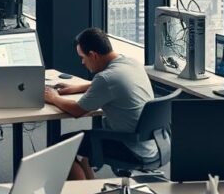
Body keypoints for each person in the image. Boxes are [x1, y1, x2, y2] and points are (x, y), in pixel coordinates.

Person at [43, 28, 156, 180]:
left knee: (60, 146)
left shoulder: (106, 78)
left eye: (83, 57)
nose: (82, 62)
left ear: (93, 55)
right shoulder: (131, 63)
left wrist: (53, 97)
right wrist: (79, 87)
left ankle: (81, 193)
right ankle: (90, 186)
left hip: (128, 146)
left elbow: (77, 111)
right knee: (85, 143)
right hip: (151, 142)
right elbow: (113, 83)